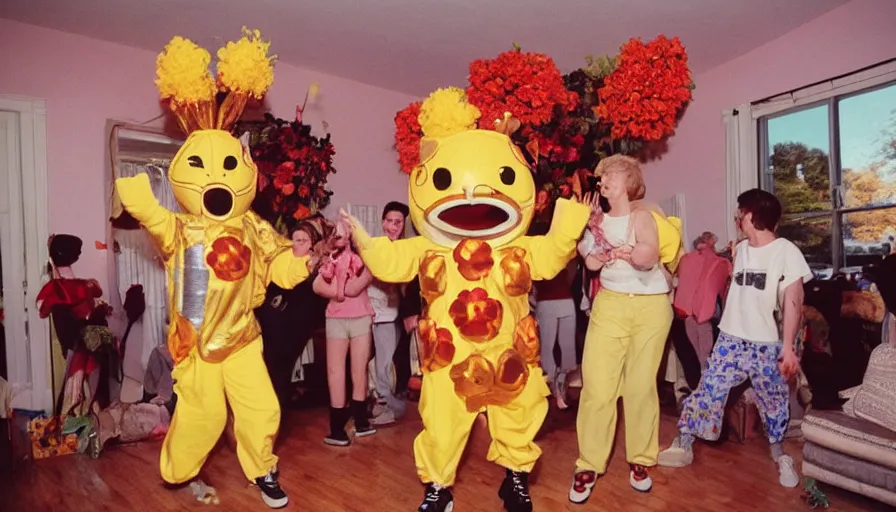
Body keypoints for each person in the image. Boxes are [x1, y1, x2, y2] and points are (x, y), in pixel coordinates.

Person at [341, 87, 591, 512]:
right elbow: (392, 261)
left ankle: (515, 480)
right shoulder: (427, 249)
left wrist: (569, 223)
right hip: (447, 359)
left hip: (509, 355)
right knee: (441, 424)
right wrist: (364, 240)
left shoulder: (519, 248)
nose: (474, 198)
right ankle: (438, 488)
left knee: (519, 417)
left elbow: (551, 257)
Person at [115, 31, 309, 509]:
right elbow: (157, 219)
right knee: (202, 418)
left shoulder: (254, 225)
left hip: (243, 340)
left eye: (229, 166)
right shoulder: (181, 228)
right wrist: (140, 200)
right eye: (205, 166)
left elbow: (278, 265)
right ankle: (179, 469)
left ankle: (263, 471)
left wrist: (300, 259)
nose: (219, 180)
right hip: (196, 346)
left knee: (261, 410)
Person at [658, 188, 811, 489]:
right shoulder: (740, 250)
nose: (737, 217)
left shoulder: (786, 251)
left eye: (739, 212)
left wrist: (788, 348)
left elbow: (794, 300)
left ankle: (780, 454)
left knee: (775, 402)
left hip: (765, 345)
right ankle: (684, 441)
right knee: (707, 390)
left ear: (750, 216)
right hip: (730, 340)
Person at [570, 156, 682, 503]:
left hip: (651, 307)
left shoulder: (641, 216)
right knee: (598, 388)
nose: (604, 181)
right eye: (603, 177)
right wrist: (597, 252)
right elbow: (587, 260)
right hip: (611, 305)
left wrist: (636, 253)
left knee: (640, 387)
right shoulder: (594, 221)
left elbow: (649, 253)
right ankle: (588, 464)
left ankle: (640, 460)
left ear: (629, 182)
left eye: (612, 176)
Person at [314, 220, 376, 446]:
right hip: (335, 319)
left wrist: (337, 291)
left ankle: (360, 419)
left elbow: (355, 287)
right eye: (335, 235)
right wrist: (338, 291)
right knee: (335, 371)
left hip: (360, 317)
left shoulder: (362, 259)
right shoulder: (328, 260)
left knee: (359, 369)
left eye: (342, 235)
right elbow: (317, 286)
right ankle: (337, 426)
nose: (338, 239)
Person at [257, 221, 328, 408]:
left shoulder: (315, 263)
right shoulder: (280, 258)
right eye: (296, 240)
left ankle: (278, 411)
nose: (299, 244)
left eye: (304, 240)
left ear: (312, 242)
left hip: (296, 325)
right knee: (270, 368)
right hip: (272, 321)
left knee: (282, 369)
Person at [368, 201, 411, 425]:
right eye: (389, 221)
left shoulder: (405, 251)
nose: (393, 226)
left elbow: (406, 287)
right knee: (369, 363)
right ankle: (378, 403)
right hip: (367, 313)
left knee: (384, 363)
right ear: (382, 221)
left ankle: (389, 405)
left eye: (398, 222)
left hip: (389, 315)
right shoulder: (373, 246)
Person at [534, 259, 577, 409]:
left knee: (567, 346)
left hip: (564, 301)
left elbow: (570, 278)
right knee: (547, 346)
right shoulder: (535, 258)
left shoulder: (566, 258)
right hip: (548, 303)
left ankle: (561, 384)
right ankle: (555, 385)